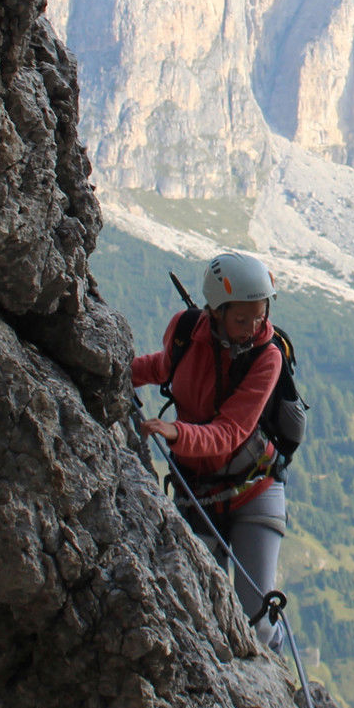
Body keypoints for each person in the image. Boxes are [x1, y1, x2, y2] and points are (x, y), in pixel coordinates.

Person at [133, 249, 292, 646]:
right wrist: (113, 369)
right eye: (242, 318)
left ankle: (275, 677)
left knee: (253, 620)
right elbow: (165, 367)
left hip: (254, 488)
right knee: (199, 608)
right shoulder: (186, 331)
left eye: (261, 315)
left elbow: (231, 432)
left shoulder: (266, 357)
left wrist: (176, 434)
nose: (254, 327)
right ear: (216, 311)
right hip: (199, 490)